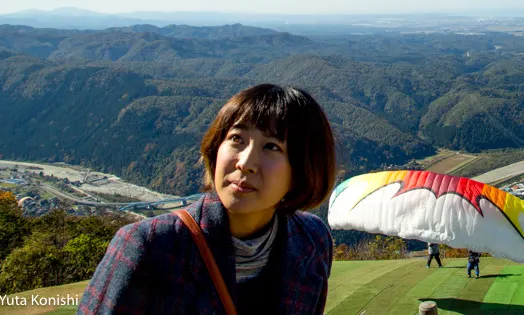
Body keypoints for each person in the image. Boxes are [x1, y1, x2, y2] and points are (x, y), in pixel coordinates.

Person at [79, 84, 338, 315]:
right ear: (216, 149)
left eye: (271, 147)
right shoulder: (151, 245)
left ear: (303, 169)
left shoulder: (311, 241)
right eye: (237, 139)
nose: (245, 163)